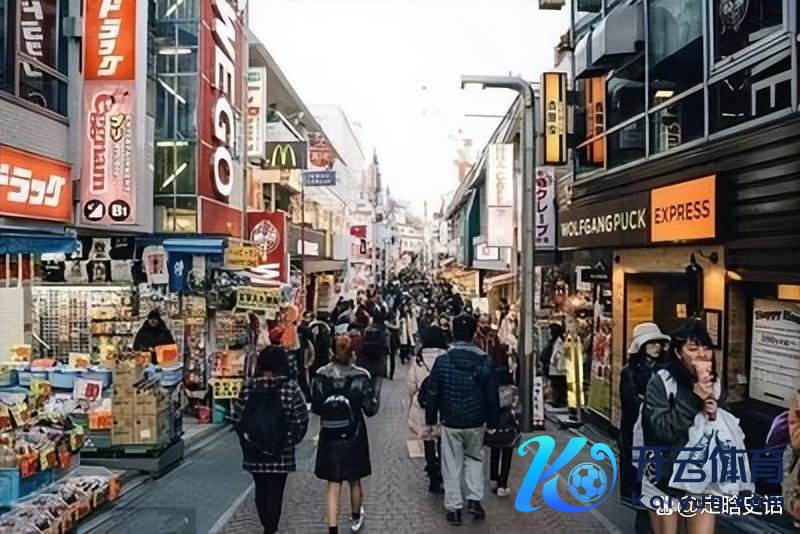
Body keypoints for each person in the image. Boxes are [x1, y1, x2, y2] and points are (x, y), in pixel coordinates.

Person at [641, 319, 736, 534]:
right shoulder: (661, 382)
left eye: (706, 348)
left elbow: (727, 431)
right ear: (677, 353)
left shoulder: (715, 384)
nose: (701, 354)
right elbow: (662, 429)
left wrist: (715, 414)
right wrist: (694, 399)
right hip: (665, 477)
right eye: (692, 349)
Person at [425, 313, 496, 526]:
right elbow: (491, 394)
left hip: (450, 420)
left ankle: (454, 508)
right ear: (473, 333)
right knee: (474, 459)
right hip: (476, 421)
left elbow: (433, 392)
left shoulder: (442, 361)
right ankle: (474, 499)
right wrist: (492, 421)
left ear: (453, 333)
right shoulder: (484, 360)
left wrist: (431, 419)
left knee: (451, 464)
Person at [233, 346, 309, 534]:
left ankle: (266, 522)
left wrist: (247, 441)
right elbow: (301, 419)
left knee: (260, 487)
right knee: (276, 490)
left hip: (254, 452)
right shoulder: (290, 387)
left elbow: (238, 418)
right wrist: (290, 440)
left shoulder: (249, 386)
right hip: (281, 453)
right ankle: (270, 527)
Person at [312, 335, 378, 534]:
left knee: (333, 483)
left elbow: (316, 407)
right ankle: (356, 517)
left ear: (332, 351)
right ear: (352, 353)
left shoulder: (321, 375)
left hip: (330, 435)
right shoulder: (361, 375)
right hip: (354, 433)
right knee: (355, 479)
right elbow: (370, 409)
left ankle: (332, 528)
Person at [618, 322, 669, 533]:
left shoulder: (667, 369)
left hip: (661, 435)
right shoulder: (629, 371)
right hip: (637, 434)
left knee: (659, 485)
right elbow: (629, 402)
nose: (656, 347)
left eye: (658, 343)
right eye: (651, 343)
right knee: (641, 484)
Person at [407, 326, 448, 494]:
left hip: (424, 406)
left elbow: (411, 384)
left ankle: (432, 472)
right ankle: (443, 471)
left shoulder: (419, 359)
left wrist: (412, 399)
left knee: (428, 439)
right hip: (443, 405)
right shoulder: (447, 357)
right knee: (443, 440)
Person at [486, 343, 520, 497]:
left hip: (493, 420)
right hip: (508, 421)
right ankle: (502, 484)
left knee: (494, 449)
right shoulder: (508, 378)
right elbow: (515, 403)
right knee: (507, 452)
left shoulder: (490, 376)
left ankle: (493, 479)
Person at [360, 310, 390, 381]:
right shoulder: (384, 330)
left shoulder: (367, 329)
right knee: (377, 380)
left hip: (368, 357)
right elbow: (387, 346)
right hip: (379, 358)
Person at [545, 322, 567, 407]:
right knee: (557, 384)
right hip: (557, 367)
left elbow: (558, 354)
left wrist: (552, 360)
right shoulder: (557, 341)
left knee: (558, 384)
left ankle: (558, 401)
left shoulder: (560, 342)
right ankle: (557, 400)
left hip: (558, 367)